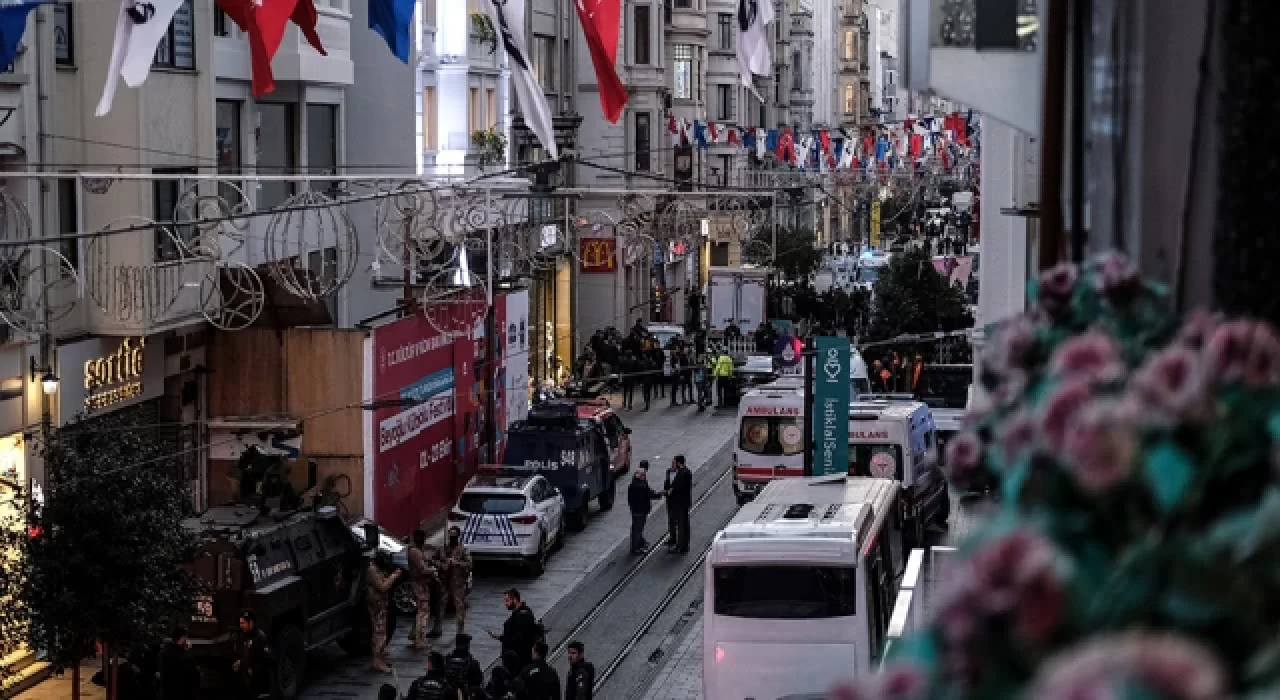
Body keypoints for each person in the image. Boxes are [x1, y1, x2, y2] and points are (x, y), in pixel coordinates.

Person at [368, 552, 404, 672]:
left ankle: (380, 657)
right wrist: (393, 576)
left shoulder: (378, 568)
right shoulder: (372, 569)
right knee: (379, 633)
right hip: (376, 605)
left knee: (382, 632)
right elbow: (382, 586)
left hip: (381, 605)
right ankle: (377, 661)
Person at [488, 589, 541, 670]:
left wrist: (501, 637)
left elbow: (517, 639)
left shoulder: (522, 616)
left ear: (515, 600)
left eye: (507, 601)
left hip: (519, 661)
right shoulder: (521, 612)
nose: (505, 604)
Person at [407, 529, 439, 650]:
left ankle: (414, 635)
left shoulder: (416, 550)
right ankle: (419, 639)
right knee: (423, 612)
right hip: (420, 584)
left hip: (420, 584)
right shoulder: (416, 552)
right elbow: (422, 569)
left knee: (420, 611)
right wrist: (433, 570)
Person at [441, 525, 473, 633]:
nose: (452, 539)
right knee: (441, 604)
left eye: (454, 537)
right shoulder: (444, 549)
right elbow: (434, 560)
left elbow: (469, 564)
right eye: (450, 536)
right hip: (445, 580)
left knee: (459, 606)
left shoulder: (462, 550)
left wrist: (456, 563)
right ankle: (437, 627)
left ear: (458, 537)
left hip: (457, 581)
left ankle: (460, 630)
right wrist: (442, 565)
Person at [231, 611, 271, 699]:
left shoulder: (260, 637)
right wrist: (240, 662)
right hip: (247, 681)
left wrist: (253, 668)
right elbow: (243, 653)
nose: (241, 625)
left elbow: (266, 659)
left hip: (258, 682)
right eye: (240, 623)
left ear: (251, 623)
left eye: (243, 623)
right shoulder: (243, 636)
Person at [627, 463, 663, 554]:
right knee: (638, 529)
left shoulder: (633, 484)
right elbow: (648, 494)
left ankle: (638, 544)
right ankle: (635, 548)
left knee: (635, 528)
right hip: (640, 510)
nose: (645, 477)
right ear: (641, 476)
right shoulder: (640, 486)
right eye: (644, 475)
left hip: (635, 509)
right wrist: (659, 494)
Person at [158, 625, 196, 700]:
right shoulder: (186, 657)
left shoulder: (163, 653)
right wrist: (186, 651)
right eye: (186, 637)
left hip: (166, 694)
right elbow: (191, 678)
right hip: (181, 694)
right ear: (182, 638)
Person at [666, 455, 693, 554]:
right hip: (682, 502)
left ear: (678, 463)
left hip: (681, 503)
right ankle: (683, 545)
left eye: (675, 462)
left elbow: (678, 486)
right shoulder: (685, 472)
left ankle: (681, 546)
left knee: (682, 525)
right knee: (683, 524)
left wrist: (671, 490)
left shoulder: (683, 473)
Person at [443, 633, 484, 698]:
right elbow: (477, 682)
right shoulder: (472, 663)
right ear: (467, 645)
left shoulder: (448, 660)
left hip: (449, 694)